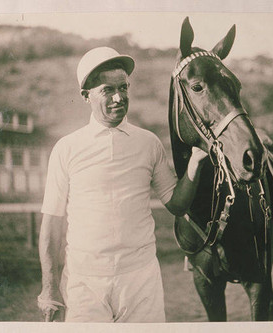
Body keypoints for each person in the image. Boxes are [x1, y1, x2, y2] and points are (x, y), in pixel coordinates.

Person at [37, 47, 207, 323]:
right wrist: (49, 288)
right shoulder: (67, 148)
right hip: (84, 281)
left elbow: (176, 204)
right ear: (86, 96)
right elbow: (52, 225)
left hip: (141, 279)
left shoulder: (148, 142)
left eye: (123, 87)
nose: (119, 97)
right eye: (107, 90)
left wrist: (195, 165)